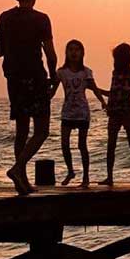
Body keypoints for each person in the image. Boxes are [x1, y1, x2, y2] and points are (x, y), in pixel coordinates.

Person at [0, 0, 57, 195]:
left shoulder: (4, 18)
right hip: (36, 78)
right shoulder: (41, 19)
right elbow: (50, 54)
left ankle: (21, 181)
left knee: (21, 130)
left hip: (13, 79)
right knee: (41, 130)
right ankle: (18, 168)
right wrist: (53, 78)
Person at [51, 39, 106, 187]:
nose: (74, 52)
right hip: (67, 112)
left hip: (82, 112)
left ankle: (86, 177)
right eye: (70, 50)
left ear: (82, 53)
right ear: (66, 53)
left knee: (82, 145)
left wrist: (103, 102)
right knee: (64, 143)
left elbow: (94, 88)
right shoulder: (61, 72)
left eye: (77, 49)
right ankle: (70, 171)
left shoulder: (86, 72)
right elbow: (52, 91)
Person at [99, 43, 130, 185]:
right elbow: (112, 93)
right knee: (111, 145)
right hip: (114, 113)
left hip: (126, 112)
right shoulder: (114, 74)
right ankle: (109, 177)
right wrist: (96, 90)